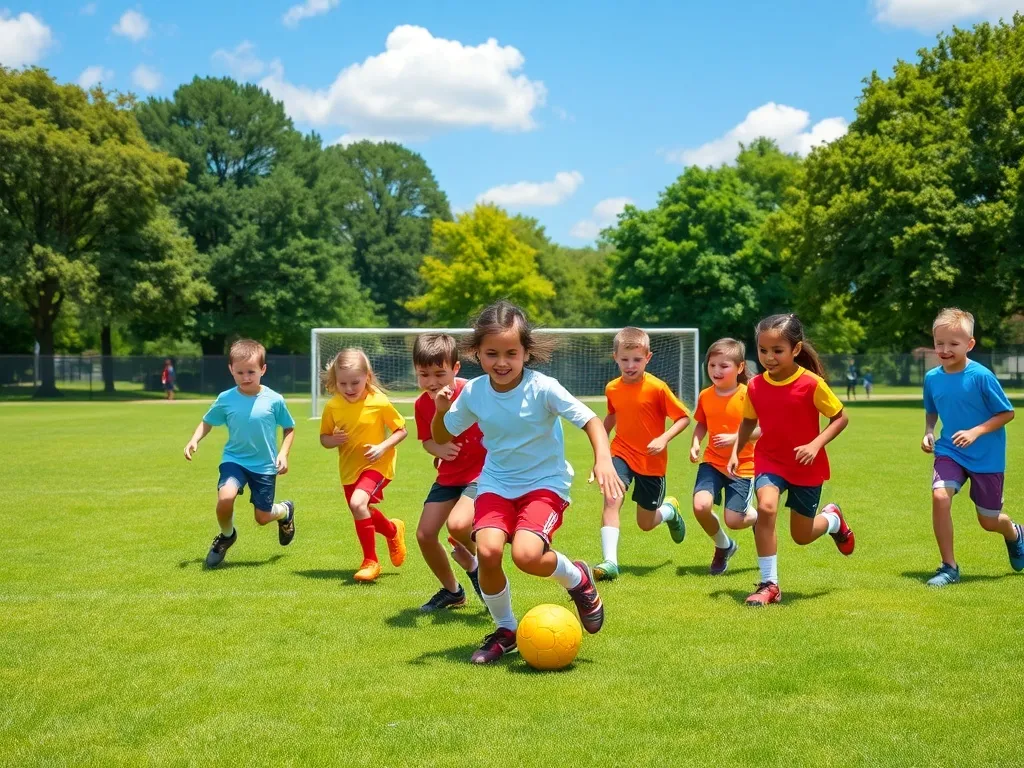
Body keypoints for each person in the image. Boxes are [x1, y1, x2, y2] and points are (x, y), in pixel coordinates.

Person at [432, 300, 625, 664]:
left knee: (525, 556)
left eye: (511, 353)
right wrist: (442, 412)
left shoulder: (544, 388)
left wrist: (603, 459)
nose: (501, 362)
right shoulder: (473, 392)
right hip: (495, 483)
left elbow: (591, 421)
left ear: (526, 352)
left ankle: (578, 578)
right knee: (487, 552)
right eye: (491, 353)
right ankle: (506, 630)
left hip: (544, 484)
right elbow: (443, 434)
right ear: (477, 353)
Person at [728, 314, 855, 606]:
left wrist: (815, 443)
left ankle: (833, 520)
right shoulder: (756, 386)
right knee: (766, 507)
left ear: (795, 350)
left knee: (802, 535)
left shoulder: (811, 384)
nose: (768, 358)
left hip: (807, 466)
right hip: (770, 460)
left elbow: (840, 418)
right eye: (762, 351)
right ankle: (769, 584)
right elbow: (748, 421)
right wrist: (736, 450)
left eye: (777, 351)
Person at [921, 307, 1023, 586]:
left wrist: (976, 431)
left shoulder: (982, 376)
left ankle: (1014, 533)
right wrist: (929, 431)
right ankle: (948, 567)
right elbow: (932, 410)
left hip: (986, 456)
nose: (945, 349)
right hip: (950, 450)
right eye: (939, 343)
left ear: (970, 344)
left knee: (988, 521)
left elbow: (1007, 413)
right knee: (940, 497)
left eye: (953, 344)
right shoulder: (931, 378)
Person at [183, 339, 296, 567]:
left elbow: (289, 428)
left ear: (263, 370)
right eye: (240, 372)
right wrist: (194, 439)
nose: (246, 377)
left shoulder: (275, 400)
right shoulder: (226, 399)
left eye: (251, 372)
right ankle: (226, 536)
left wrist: (283, 453)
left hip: (264, 466)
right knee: (225, 497)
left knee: (262, 518)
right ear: (231, 370)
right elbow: (207, 422)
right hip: (234, 460)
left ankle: (285, 511)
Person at [592, 326, 690, 581]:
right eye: (625, 359)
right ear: (615, 357)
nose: (630, 365)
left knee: (646, 523)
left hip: (651, 461)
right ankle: (610, 562)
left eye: (637, 359)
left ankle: (669, 510)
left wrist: (664, 437)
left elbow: (683, 418)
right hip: (621, 452)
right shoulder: (612, 388)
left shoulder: (657, 388)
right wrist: (601, 452)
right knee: (612, 499)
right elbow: (612, 415)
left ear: (648, 358)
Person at [319, 348, 408, 583]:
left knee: (357, 503)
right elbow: (324, 438)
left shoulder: (378, 401)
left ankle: (370, 561)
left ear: (367, 377)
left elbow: (401, 430)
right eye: (343, 383)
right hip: (349, 470)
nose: (349, 389)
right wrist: (333, 440)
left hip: (378, 464)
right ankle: (392, 530)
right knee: (360, 509)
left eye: (355, 383)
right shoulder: (333, 407)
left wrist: (383, 447)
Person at [412, 333, 486, 611]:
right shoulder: (421, 404)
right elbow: (428, 440)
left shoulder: (474, 392)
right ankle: (453, 591)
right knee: (425, 534)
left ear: (456, 368)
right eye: (424, 374)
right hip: (449, 476)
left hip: (481, 474)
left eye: (439, 374)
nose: (432, 382)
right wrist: (437, 450)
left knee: (459, 525)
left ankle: (481, 569)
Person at [689, 338, 759, 575]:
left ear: (739, 368)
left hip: (743, 466)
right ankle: (723, 546)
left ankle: (758, 518)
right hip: (712, 462)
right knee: (700, 506)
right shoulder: (705, 396)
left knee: (734, 521)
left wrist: (735, 439)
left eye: (723, 366)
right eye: (712, 365)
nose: (716, 371)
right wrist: (696, 444)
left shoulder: (750, 395)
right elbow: (701, 424)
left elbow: (764, 429)